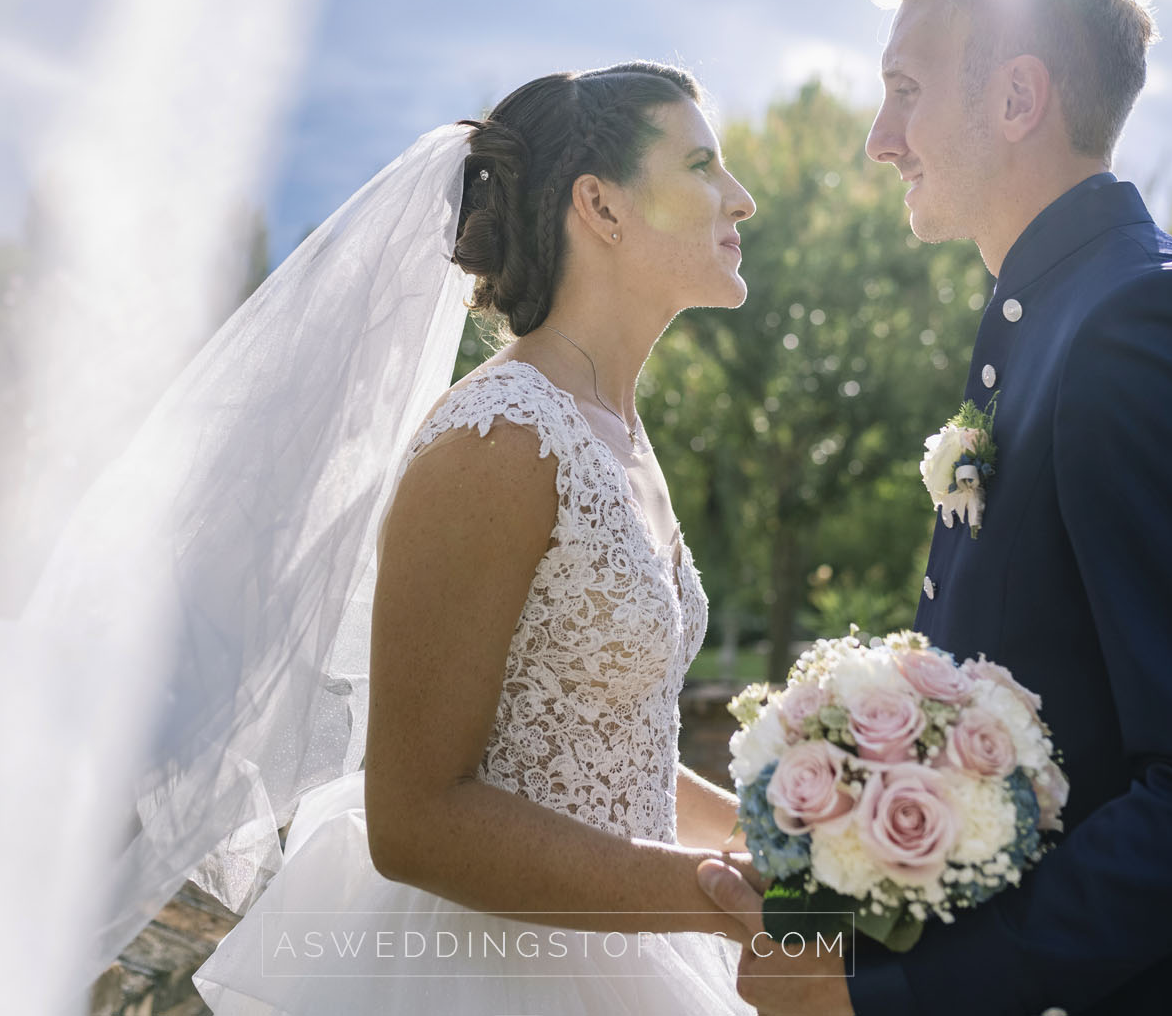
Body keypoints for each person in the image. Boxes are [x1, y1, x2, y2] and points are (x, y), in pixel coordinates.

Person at [698, 0, 1172, 1015]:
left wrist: (883, 1003)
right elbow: (1023, 767)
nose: (878, 136)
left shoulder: (1144, 327)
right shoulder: (1050, 316)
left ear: (1015, 99)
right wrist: (822, 919)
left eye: (904, 88)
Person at [195, 61, 766, 1014]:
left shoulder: (609, 427)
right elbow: (417, 821)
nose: (740, 198)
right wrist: (713, 896)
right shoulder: (499, 439)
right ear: (602, 205)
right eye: (702, 165)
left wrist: (772, 841)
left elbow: (590, 734)